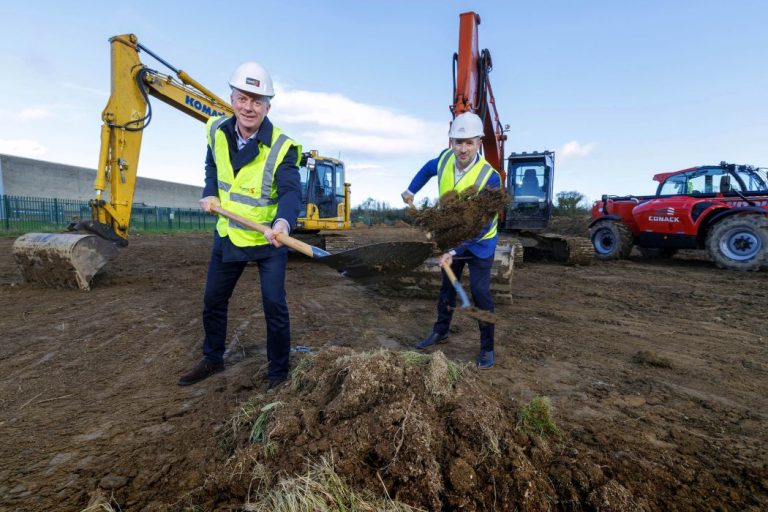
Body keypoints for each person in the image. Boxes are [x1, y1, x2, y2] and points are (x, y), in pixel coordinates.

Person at [178, 61, 302, 388]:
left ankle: (278, 374)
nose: (249, 107)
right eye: (243, 98)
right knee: (213, 301)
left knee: (274, 306)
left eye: (257, 101)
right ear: (232, 99)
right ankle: (213, 358)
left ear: (267, 107)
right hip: (229, 233)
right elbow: (212, 166)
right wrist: (209, 192)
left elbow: (291, 192)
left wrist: (283, 223)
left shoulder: (282, 147)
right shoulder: (216, 130)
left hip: (267, 239)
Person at [401, 112, 501, 369]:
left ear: (479, 143)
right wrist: (411, 189)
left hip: (480, 243)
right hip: (452, 236)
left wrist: (454, 251)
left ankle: (487, 348)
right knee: (447, 287)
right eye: (458, 142)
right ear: (451, 141)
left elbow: (483, 225)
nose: (463, 149)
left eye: (469, 142)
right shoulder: (445, 159)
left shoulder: (489, 177)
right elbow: (428, 168)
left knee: (480, 292)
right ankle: (440, 331)